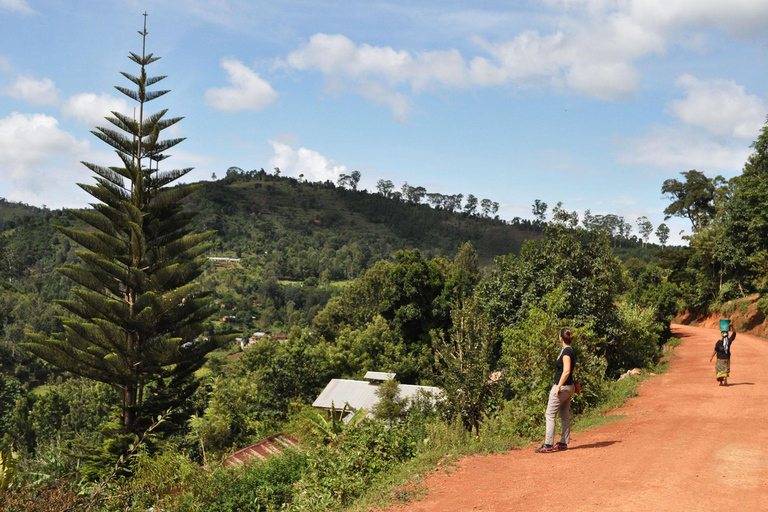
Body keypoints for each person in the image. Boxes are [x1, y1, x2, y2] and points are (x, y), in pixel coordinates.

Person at [536, 328, 577, 453]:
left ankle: (548, 444)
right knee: (564, 415)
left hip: (562, 387)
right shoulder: (570, 350)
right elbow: (573, 369)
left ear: (560, 337)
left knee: (550, 414)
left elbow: (567, 370)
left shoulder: (566, 352)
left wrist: (558, 386)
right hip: (569, 387)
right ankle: (563, 442)